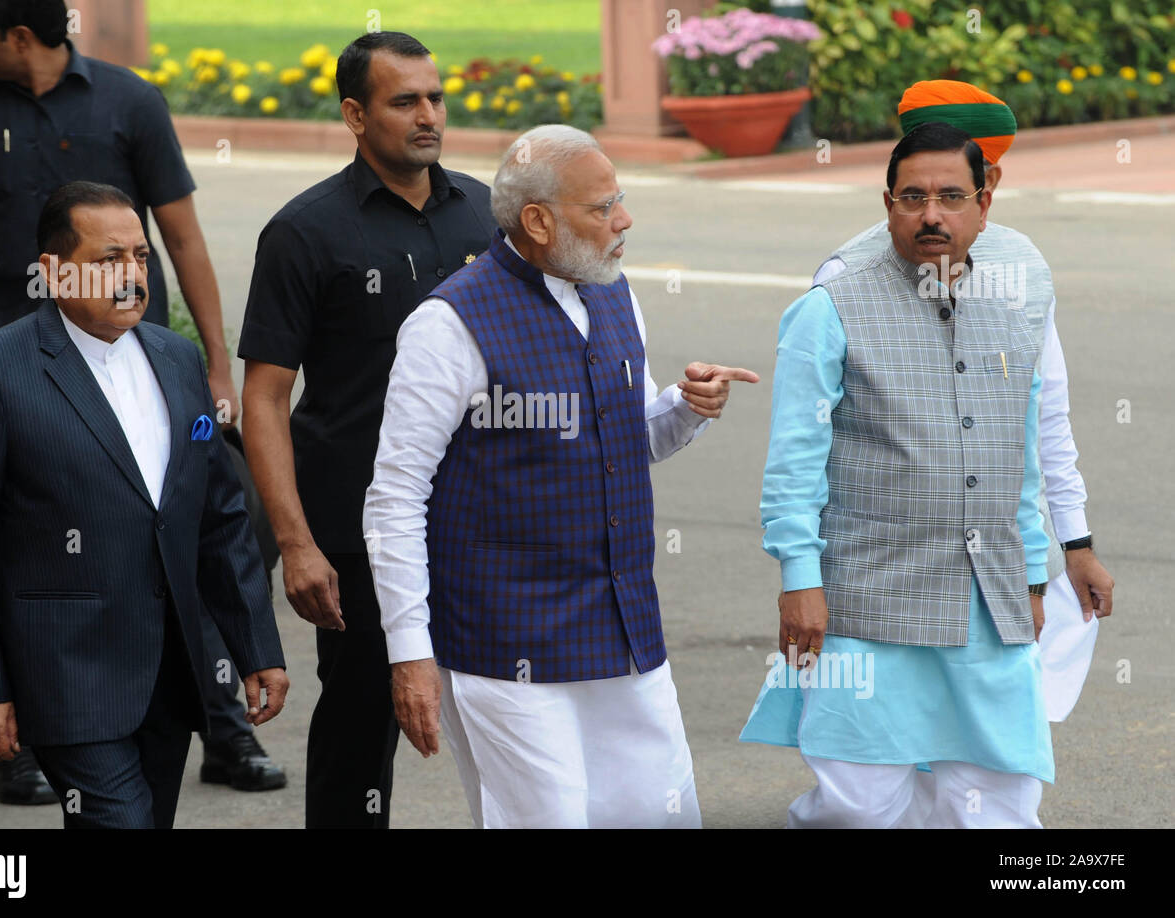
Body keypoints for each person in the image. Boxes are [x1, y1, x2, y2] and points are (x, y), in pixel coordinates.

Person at [0, 0, 286, 803]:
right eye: (110, 257)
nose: (132, 271)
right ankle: (23, 730)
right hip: (17, 366)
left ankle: (218, 720)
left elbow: (217, 524)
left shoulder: (171, 360)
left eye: (135, 256)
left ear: (22, 32)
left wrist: (218, 362)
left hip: (160, 664)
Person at [363, 125, 760, 829]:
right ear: (538, 221)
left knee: (656, 814)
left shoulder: (613, 293)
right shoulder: (448, 325)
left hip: (624, 629)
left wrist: (685, 408)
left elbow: (627, 440)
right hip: (502, 644)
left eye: (621, 201)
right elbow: (395, 497)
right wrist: (411, 654)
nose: (624, 221)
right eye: (602, 207)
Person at [740, 122, 1052, 828]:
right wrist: (799, 579)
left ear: (984, 203)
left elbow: (1020, 463)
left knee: (996, 799)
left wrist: (1033, 576)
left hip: (989, 600)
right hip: (867, 600)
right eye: (913, 197)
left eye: (950, 196)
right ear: (887, 205)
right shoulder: (830, 309)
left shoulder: (1012, 309)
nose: (932, 214)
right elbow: (793, 461)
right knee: (859, 806)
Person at [238, 31, 495, 828]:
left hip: (486, 522)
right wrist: (295, 543)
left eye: (436, 97)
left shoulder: (490, 214)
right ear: (355, 114)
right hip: (360, 532)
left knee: (513, 719)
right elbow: (266, 398)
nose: (429, 116)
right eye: (404, 101)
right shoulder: (305, 231)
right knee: (360, 734)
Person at [813, 81, 1114, 723]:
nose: (937, 209)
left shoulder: (1022, 266)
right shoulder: (844, 282)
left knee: (989, 750)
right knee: (881, 754)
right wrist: (803, 576)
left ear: (987, 183)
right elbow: (809, 447)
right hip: (883, 573)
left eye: (960, 187)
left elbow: (1044, 416)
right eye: (923, 187)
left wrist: (1072, 544)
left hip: (1005, 560)